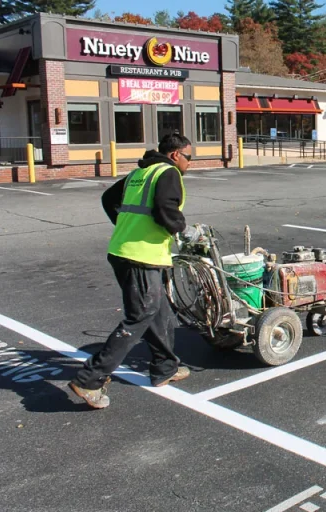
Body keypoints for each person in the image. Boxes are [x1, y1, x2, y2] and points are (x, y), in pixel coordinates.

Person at [69, 133, 201, 409]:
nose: (191, 163)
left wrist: (125, 226)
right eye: (189, 157)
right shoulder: (167, 172)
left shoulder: (139, 174)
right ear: (176, 154)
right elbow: (165, 209)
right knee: (139, 316)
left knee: (160, 312)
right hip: (140, 256)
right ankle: (89, 379)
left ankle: (165, 368)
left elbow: (109, 199)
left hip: (125, 251)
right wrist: (185, 231)